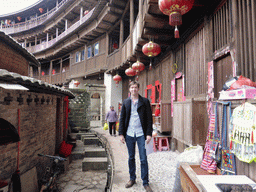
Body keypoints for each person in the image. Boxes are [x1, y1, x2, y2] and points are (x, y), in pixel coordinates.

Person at [119, 81, 153, 192]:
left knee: (143, 158)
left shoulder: (145, 101)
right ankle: (132, 179)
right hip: (129, 134)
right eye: (132, 87)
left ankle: (145, 182)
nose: (133, 89)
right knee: (131, 157)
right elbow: (122, 118)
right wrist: (121, 134)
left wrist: (149, 134)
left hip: (141, 134)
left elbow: (149, 119)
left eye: (135, 87)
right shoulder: (126, 102)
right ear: (129, 89)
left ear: (138, 89)